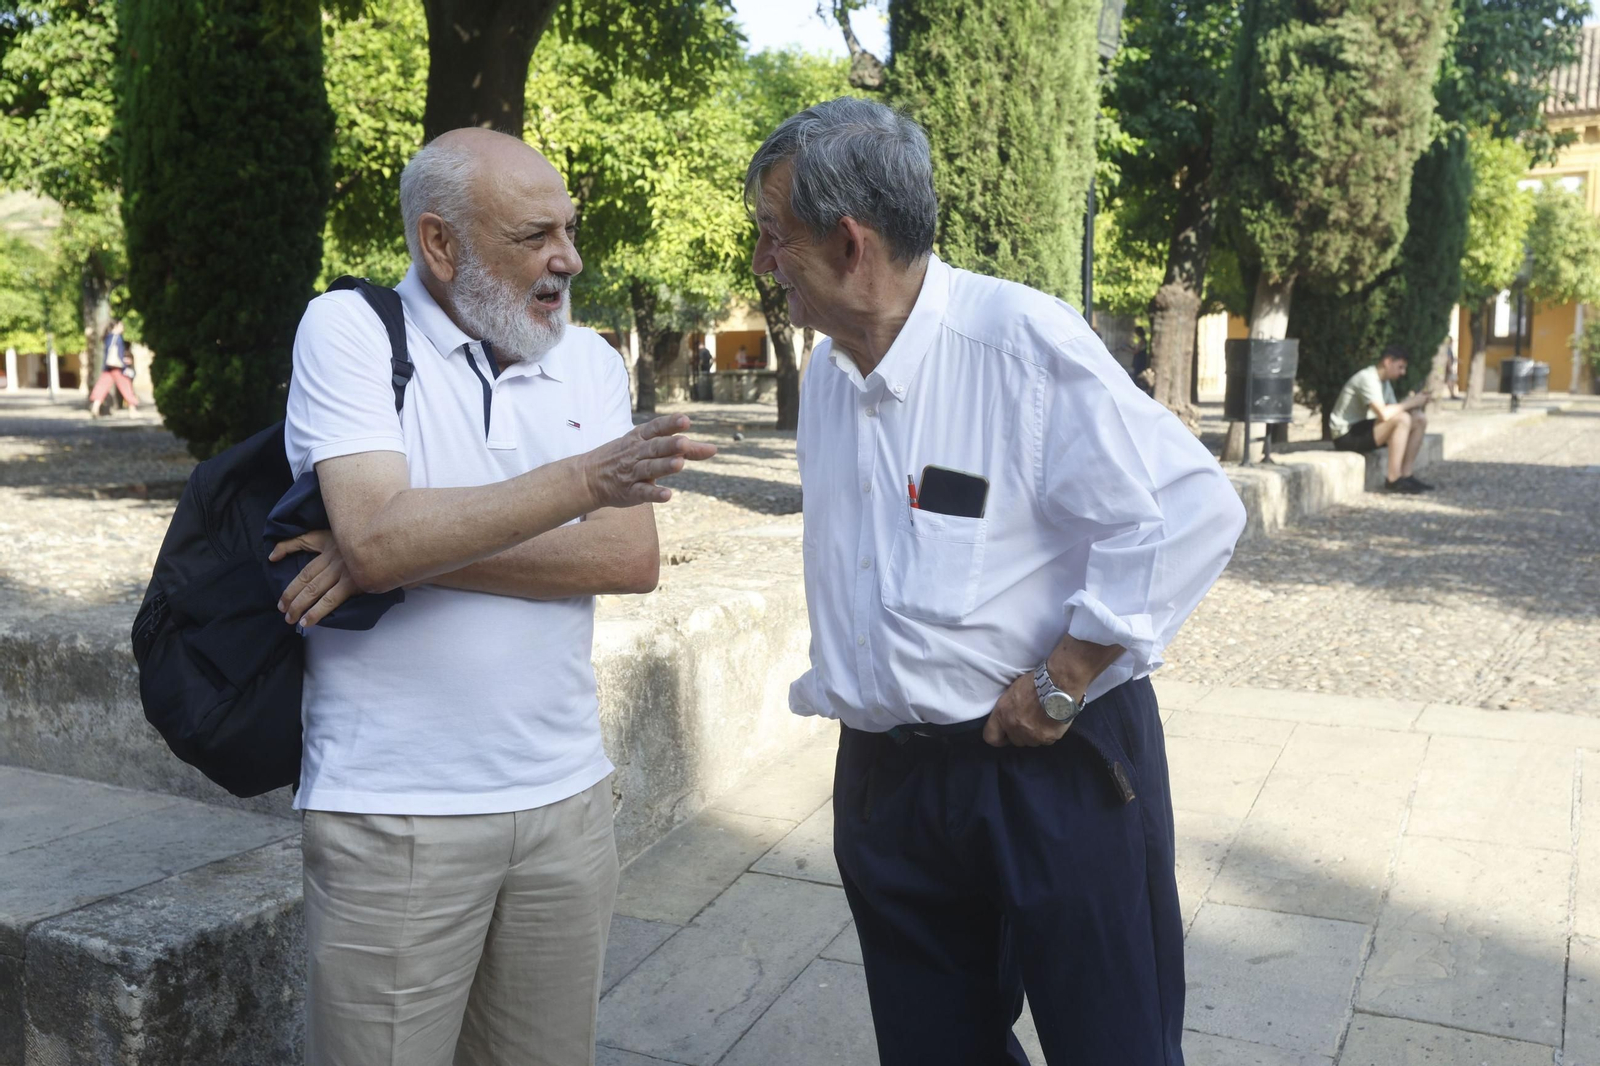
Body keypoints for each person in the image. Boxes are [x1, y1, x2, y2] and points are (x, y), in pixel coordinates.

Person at [747, 98, 1245, 1066]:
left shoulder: (1018, 342)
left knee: (1113, 1047)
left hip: (1048, 770)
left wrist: (1066, 676)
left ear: (850, 242)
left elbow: (1192, 509)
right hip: (890, 784)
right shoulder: (830, 379)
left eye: (775, 236)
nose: (764, 262)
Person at [272, 128, 715, 1066]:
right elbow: (381, 535)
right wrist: (580, 484)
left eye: (569, 229)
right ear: (440, 244)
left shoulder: (589, 360)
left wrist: (397, 550)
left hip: (568, 803)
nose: (568, 259)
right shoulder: (350, 330)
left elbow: (628, 557)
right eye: (533, 237)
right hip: (395, 813)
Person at [1329, 344, 1433, 492]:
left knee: (1419, 419)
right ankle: (1393, 478)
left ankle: (1406, 475)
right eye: (1400, 367)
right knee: (1402, 419)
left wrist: (1416, 404)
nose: (1403, 372)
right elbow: (1383, 413)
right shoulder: (1367, 378)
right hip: (1345, 436)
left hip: (1362, 428)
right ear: (1388, 361)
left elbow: (1394, 410)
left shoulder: (1384, 382)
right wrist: (1411, 402)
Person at [88, 320, 138, 417]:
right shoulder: (117, 337)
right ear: (116, 326)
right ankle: (132, 410)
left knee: (101, 387)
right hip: (118, 368)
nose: (123, 328)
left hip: (108, 367)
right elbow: (119, 354)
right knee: (126, 387)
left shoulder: (108, 337)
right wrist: (124, 363)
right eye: (121, 326)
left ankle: (95, 408)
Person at [1128, 324, 1154, 396]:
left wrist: (1127, 349)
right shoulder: (1141, 340)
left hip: (1140, 360)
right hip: (1139, 360)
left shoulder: (1142, 340)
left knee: (1138, 375)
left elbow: (1136, 351)